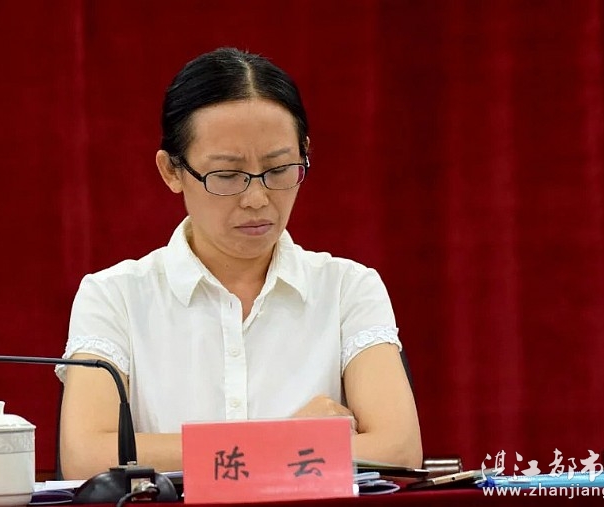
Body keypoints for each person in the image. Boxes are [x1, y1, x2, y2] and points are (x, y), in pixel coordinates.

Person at [57, 47, 422, 479]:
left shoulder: (348, 289)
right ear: (171, 171)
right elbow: (88, 456)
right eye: (228, 176)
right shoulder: (113, 296)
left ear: (304, 153)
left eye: (279, 169)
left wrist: (207, 451)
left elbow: (397, 450)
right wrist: (283, 439)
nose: (257, 198)